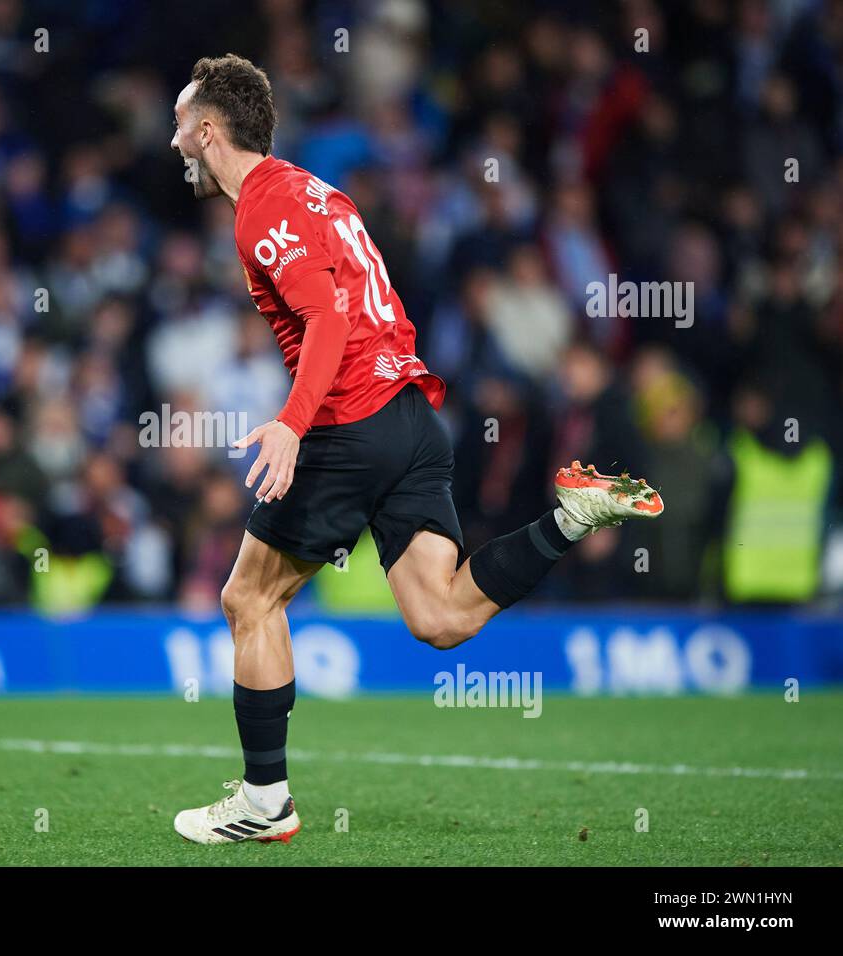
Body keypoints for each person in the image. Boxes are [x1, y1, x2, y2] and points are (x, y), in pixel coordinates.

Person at [167, 55, 663, 845]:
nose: (173, 143)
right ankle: (569, 520)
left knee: (248, 600)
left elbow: (327, 320)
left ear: (209, 130)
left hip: (347, 419)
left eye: (179, 125)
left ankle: (265, 801)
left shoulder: (264, 207)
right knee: (439, 617)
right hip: (411, 418)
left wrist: (294, 422)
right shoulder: (313, 191)